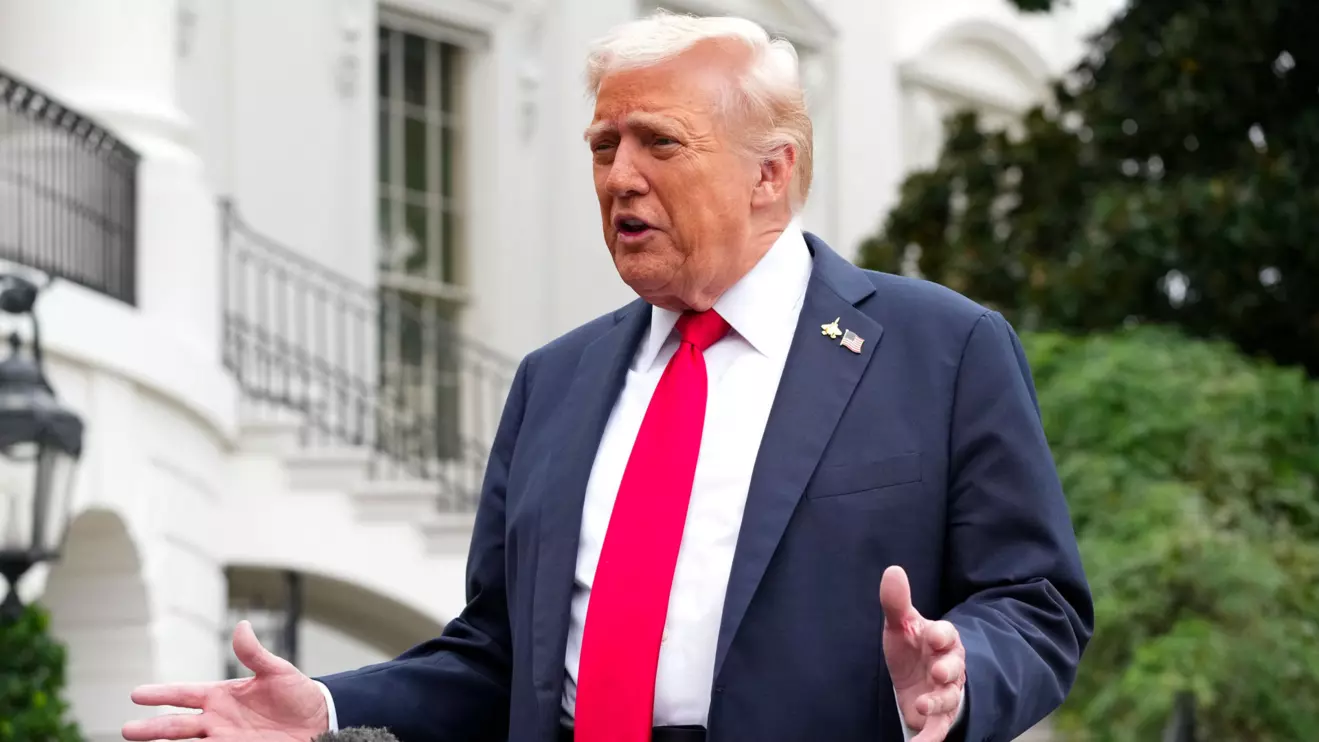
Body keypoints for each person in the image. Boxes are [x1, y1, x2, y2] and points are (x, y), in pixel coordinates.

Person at [122, 11, 1092, 742]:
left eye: (658, 143)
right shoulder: (556, 381)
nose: (618, 176)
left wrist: (967, 671)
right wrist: (331, 704)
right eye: (602, 146)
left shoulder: (937, 349)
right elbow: (496, 656)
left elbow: (1037, 601)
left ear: (770, 172)